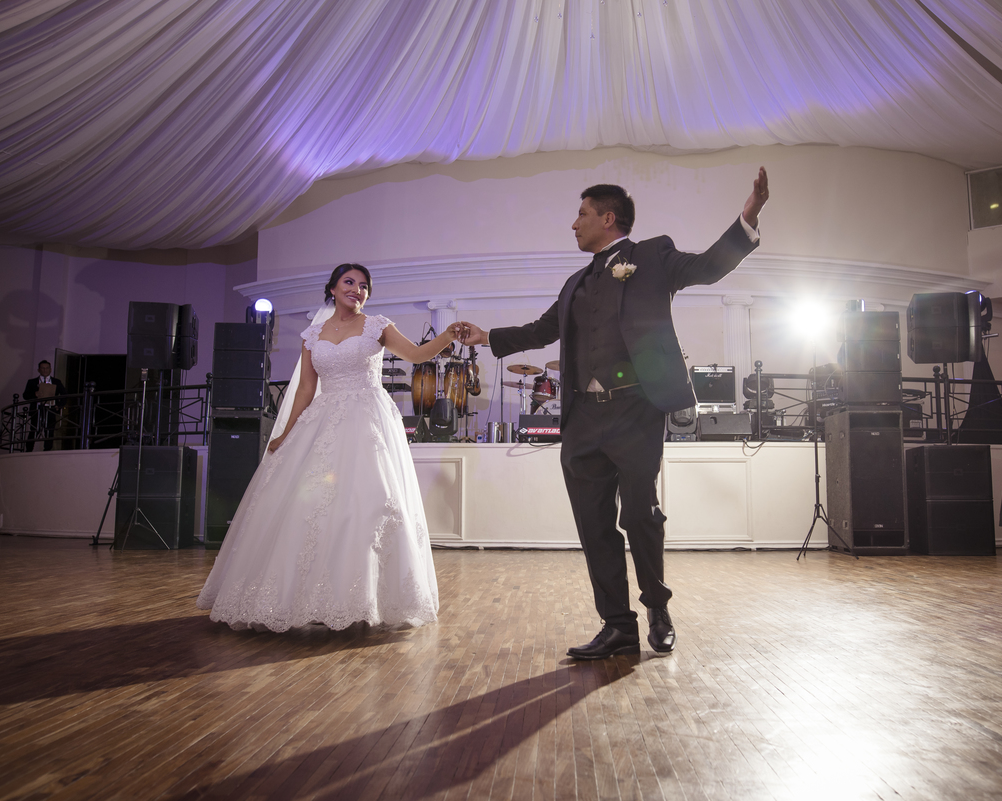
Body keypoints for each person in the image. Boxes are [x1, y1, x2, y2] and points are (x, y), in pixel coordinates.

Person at [458, 168, 770, 659]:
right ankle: (617, 625)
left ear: (608, 217)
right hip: (583, 419)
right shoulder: (574, 282)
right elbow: (542, 331)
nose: (574, 224)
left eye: (581, 214)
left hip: (635, 410)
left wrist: (748, 217)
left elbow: (708, 267)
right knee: (593, 522)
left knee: (640, 515)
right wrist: (487, 337)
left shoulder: (651, 255)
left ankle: (657, 609)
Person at [197, 264, 464, 631]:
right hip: (322, 420)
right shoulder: (312, 335)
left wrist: (448, 336)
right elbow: (306, 390)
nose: (357, 289)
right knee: (305, 508)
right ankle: (305, 599)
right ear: (334, 289)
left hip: (366, 419)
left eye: (364, 286)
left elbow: (417, 356)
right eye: (350, 283)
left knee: (366, 505)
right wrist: (285, 433)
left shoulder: (378, 325)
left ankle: (359, 599)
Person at [23, 360, 66, 451]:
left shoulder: (56, 382)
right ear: (39, 370)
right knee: (34, 430)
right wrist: (35, 394)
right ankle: (28, 450)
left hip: (50, 409)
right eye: (43, 368)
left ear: (50, 369)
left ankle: (47, 450)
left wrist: (58, 405)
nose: (45, 370)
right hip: (37, 409)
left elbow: (64, 395)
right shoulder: (32, 382)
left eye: (47, 368)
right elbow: (25, 395)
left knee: (50, 430)